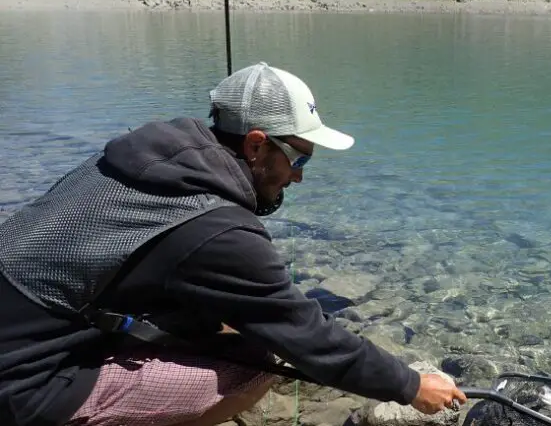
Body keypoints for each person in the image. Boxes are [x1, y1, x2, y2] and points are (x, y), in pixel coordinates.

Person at [0, 62, 467, 426]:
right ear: (256, 146)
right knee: (259, 363)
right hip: (22, 388)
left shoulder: (133, 161)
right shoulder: (216, 227)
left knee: (221, 324)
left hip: (22, 332)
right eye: (299, 157)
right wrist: (408, 385)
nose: (300, 176)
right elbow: (310, 338)